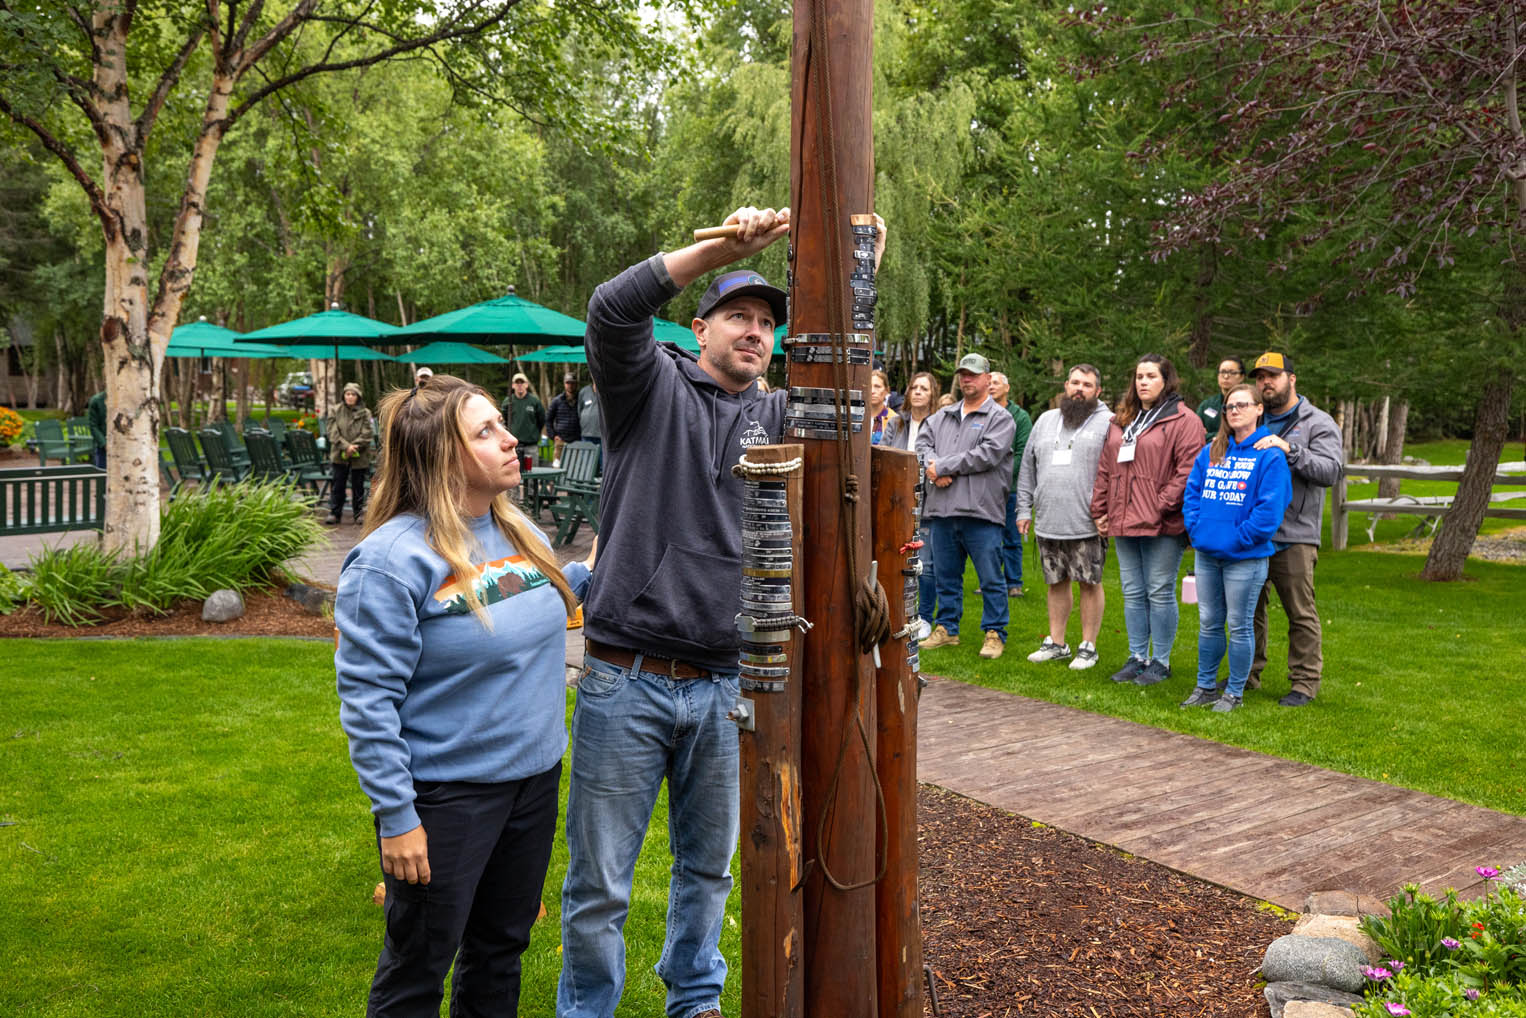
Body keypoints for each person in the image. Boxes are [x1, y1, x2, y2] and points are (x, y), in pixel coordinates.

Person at [560, 206, 884, 1018]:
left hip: (724, 685)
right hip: (624, 676)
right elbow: (611, 307)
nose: (756, 332)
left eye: (767, 323)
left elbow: (845, 394)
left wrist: (861, 269)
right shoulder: (647, 388)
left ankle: (694, 1003)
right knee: (600, 883)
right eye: (739, 316)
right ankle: (587, 1010)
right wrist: (719, 249)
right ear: (699, 326)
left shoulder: (776, 417)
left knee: (710, 868)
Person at [335, 374, 592, 1016]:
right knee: (418, 969)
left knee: (500, 952)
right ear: (444, 456)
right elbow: (368, 703)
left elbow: (551, 594)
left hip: (531, 785)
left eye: (502, 423)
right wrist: (398, 818)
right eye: (486, 431)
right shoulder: (389, 561)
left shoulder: (513, 529)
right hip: (446, 798)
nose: (511, 440)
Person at [1090, 354, 1205, 686]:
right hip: (1124, 519)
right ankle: (1137, 656)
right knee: (1132, 591)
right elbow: (1105, 468)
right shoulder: (1122, 418)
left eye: (1151, 376)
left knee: (1159, 590)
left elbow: (1188, 472)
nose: (1143, 382)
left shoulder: (1184, 421)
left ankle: (1161, 661)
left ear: (1166, 381)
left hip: (1162, 523)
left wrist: (1157, 505)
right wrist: (1099, 509)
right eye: (1139, 376)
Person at [1180, 383, 1292, 712]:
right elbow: (1192, 495)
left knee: (1240, 625)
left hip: (1245, 557)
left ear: (1259, 410)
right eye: (1230, 406)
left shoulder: (1269, 455)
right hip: (1207, 554)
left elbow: (1269, 512)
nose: (1235, 411)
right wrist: (1198, 532)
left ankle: (1235, 693)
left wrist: (1236, 539)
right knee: (1210, 622)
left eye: (1243, 405)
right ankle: (1204, 687)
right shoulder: (1212, 450)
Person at [1246, 352, 1344, 706]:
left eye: (1273, 375)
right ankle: (1247, 673)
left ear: (1292, 378)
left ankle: (1304, 683)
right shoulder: (1253, 417)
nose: (1266, 382)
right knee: (1248, 610)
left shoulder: (1318, 422)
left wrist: (1290, 450)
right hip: (1253, 533)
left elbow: (1331, 472)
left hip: (1295, 534)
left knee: (1299, 612)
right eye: (1260, 377)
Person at [916, 352, 1016, 659]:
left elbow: (987, 454)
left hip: (981, 512)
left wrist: (942, 467)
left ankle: (995, 632)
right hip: (943, 510)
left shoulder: (1001, 418)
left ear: (988, 378)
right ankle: (947, 628)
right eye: (963, 374)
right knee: (946, 575)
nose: (966, 379)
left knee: (990, 577)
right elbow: (922, 444)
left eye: (973, 374)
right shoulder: (942, 415)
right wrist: (932, 466)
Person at [1015, 365, 1112, 669]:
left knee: (1088, 581)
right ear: (1065, 385)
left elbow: (1116, 472)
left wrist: (1108, 510)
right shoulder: (1045, 420)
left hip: (1087, 520)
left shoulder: (1108, 422)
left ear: (1098, 391)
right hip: (1049, 518)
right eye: (1074, 382)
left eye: (1087, 384)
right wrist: (1023, 508)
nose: (1079, 388)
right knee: (1056, 582)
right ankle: (1057, 643)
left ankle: (1088, 646)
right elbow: (1027, 468)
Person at [891, 371, 940, 640]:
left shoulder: (939, 424)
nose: (918, 392)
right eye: (914, 387)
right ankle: (899, 611)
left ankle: (925, 616)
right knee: (898, 558)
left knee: (926, 564)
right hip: (897, 499)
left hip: (929, 500)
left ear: (933, 393)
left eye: (924, 388)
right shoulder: (896, 423)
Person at [990, 371, 1033, 598]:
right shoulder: (982, 413)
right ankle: (991, 579)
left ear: (1007, 388)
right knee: (988, 538)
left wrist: (999, 475)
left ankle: (1013, 581)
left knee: (1011, 538)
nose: (991, 386)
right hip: (985, 489)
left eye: (995, 383)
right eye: (988, 382)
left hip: (1011, 488)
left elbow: (1023, 452)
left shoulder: (1020, 417)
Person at [324, 381, 374, 525]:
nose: (350, 397)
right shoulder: (335, 410)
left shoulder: (366, 413)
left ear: (358, 396)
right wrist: (346, 446)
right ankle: (334, 512)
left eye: (353, 394)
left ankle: (358, 513)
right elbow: (332, 431)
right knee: (338, 484)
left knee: (358, 486)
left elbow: (367, 433)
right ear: (344, 395)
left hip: (360, 455)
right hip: (340, 454)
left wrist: (354, 446)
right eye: (348, 394)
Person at [501, 372, 546, 471]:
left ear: (526, 385)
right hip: (514, 446)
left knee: (532, 472)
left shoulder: (534, 401)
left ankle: (532, 487)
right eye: (517, 383)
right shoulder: (508, 401)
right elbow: (503, 420)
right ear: (513, 385)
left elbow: (542, 420)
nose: (520, 385)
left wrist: (534, 433)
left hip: (531, 446)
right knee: (513, 473)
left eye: (522, 382)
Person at [1196, 357, 1244, 436]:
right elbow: (1196, 434)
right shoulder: (1207, 405)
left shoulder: (1248, 404)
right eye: (1222, 372)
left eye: (1232, 372)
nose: (1226, 376)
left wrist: (1211, 435)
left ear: (1241, 377)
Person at [547, 372, 582, 465]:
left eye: (572, 383)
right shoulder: (557, 400)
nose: (570, 385)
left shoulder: (581, 399)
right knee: (557, 467)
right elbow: (548, 420)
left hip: (577, 441)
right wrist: (553, 436)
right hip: (560, 442)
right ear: (564, 383)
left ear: (576, 384)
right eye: (568, 383)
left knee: (575, 469)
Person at [869, 368, 902, 445]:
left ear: (887, 390)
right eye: (869, 386)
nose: (872, 391)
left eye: (877, 386)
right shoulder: (857, 417)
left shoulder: (895, 419)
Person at [577, 378, 602, 466]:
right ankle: (586, 479)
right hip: (586, 434)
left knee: (603, 463)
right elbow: (579, 410)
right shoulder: (584, 391)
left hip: (602, 435)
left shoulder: (607, 389)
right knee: (586, 464)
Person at [86, 390, 107, 468]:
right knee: (103, 476)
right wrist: (104, 443)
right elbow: (93, 425)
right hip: (103, 449)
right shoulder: (96, 401)